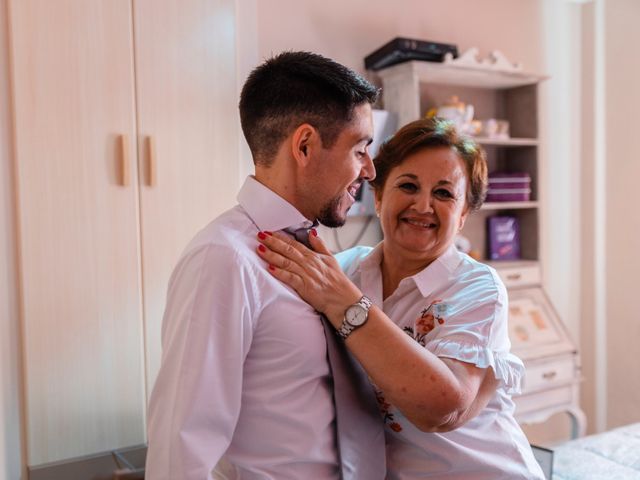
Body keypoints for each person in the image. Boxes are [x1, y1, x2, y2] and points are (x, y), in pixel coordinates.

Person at [256, 118, 546, 479]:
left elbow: (441, 408)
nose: (423, 206)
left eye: (443, 193)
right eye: (408, 186)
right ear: (378, 197)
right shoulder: (345, 271)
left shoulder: (478, 288)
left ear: (463, 216)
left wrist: (345, 303)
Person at [145, 51, 387, 480]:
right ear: (305, 145)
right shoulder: (222, 260)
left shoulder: (316, 254)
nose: (368, 170)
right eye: (360, 148)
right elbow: (181, 443)